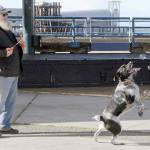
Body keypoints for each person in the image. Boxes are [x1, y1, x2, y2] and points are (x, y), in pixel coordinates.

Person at [0, 5, 25, 136]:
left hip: (12, 71)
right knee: (1, 102)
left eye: (6, 14)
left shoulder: (7, 30)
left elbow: (12, 49)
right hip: (3, 73)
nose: (6, 17)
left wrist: (21, 46)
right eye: (3, 14)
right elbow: (4, 51)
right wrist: (4, 52)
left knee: (9, 103)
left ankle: (5, 126)